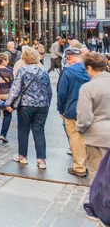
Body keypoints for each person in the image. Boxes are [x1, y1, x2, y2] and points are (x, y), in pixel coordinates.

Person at [5, 47, 52, 169]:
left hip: (26, 105)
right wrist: (48, 103)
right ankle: (41, 160)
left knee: (23, 130)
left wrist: (8, 103)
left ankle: (23, 156)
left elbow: (16, 89)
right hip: (42, 105)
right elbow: (49, 90)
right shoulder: (43, 71)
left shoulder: (23, 71)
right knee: (39, 131)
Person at [57, 47, 90, 178]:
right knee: (89, 139)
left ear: (69, 58)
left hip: (72, 109)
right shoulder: (90, 70)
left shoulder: (68, 72)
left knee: (76, 139)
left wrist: (61, 109)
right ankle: (89, 164)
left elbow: (61, 93)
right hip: (89, 109)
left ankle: (80, 167)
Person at [77, 52, 110, 183]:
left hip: (97, 138)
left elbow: (84, 118)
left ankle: (99, 202)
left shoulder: (88, 87)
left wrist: (80, 129)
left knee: (97, 174)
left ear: (89, 68)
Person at [0, 53, 14, 143]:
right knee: (7, 114)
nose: (8, 61)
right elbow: (13, 84)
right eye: (7, 60)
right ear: (4, 61)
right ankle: (3, 134)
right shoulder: (9, 71)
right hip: (6, 96)